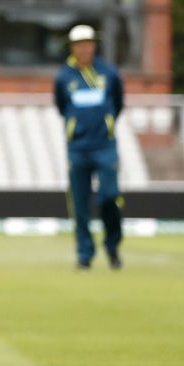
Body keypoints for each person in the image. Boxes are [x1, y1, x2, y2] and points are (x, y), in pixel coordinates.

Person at [52, 24, 126, 270]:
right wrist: (76, 129)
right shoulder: (65, 77)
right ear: (73, 47)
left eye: (88, 43)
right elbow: (62, 107)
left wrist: (106, 124)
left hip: (105, 146)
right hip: (78, 148)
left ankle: (112, 245)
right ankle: (85, 255)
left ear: (94, 45)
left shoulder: (108, 73)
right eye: (79, 44)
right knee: (80, 203)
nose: (84, 49)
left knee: (109, 196)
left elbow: (119, 103)